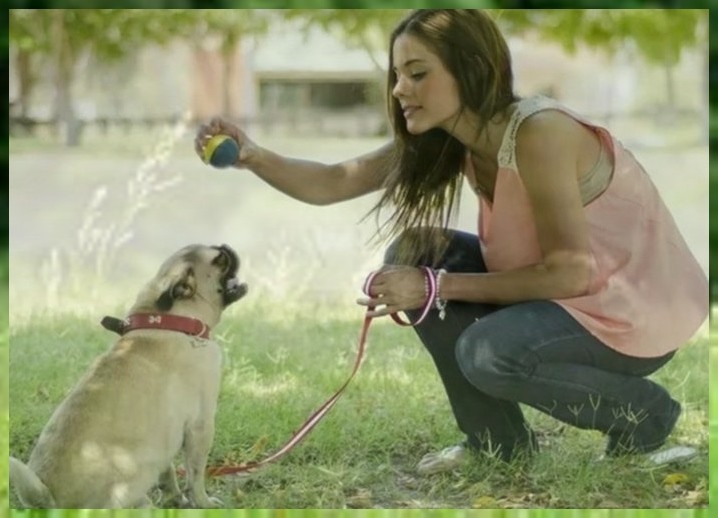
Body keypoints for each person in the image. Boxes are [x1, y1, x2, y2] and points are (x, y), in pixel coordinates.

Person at [194, 9, 708, 474]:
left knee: (487, 351)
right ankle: (497, 443)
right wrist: (253, 156)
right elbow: (335, 180)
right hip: (566, 302)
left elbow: (571, 272)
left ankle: (644, 415)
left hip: (626, 314)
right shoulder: (451, 138)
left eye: (418, 73)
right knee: (419, 248)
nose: (399, 88)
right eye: (397, 74)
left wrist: (434, 287)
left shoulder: (541, 133)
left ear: (471, 70)